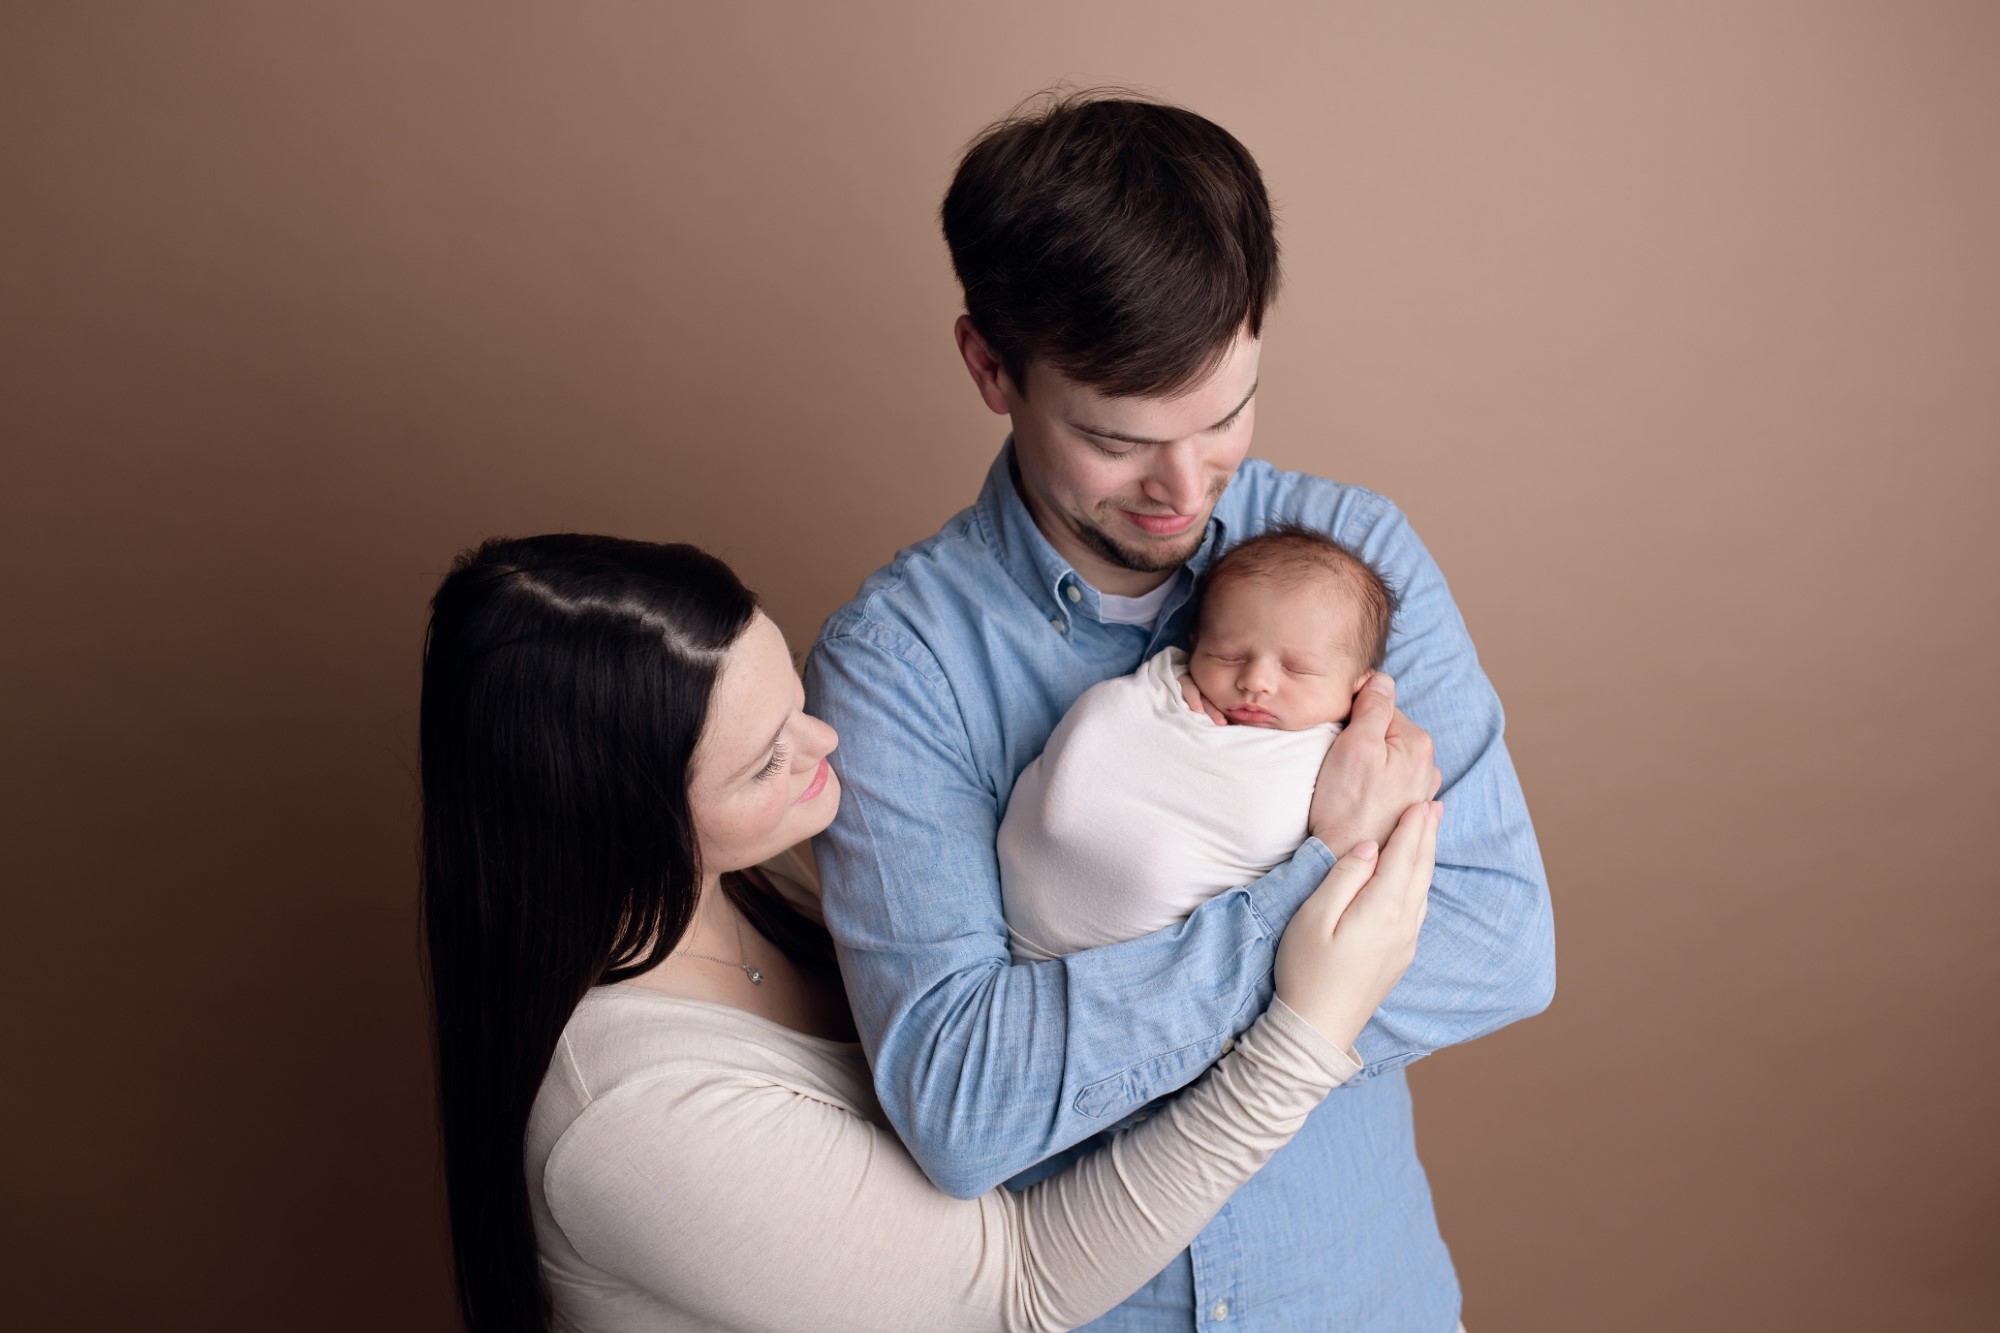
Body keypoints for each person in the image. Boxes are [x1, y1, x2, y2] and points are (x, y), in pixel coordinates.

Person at [805, 93, 1556, 1330]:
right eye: (1117, 439)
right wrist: (1313, 897)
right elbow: (962, 1104)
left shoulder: (1353, 558)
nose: (1184, 489)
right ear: (989, 369)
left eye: (1224, 417)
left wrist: (1091, 1016)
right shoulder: (898, 665)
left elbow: (1499, 941)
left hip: (1362, 1299)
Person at [418, 533, 1442, 1333]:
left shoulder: (739, 904)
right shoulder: (632, 1120)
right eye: (761, 761)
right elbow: (1018, 1290)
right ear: (619, 821)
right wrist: (1303, 1029)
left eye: (794, 702)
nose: (826, 741)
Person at [999, 525, 1397, 961]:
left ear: (1360, 686)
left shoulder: (1347, 756)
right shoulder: (1164, 687)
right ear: (1195, 645)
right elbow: (1096, 743)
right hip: (1016, 925)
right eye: (1228, 655)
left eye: (1297, 670)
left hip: (1152, 968)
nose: (1254, 681)